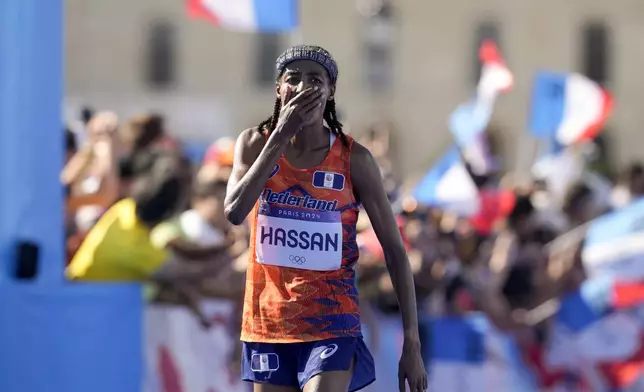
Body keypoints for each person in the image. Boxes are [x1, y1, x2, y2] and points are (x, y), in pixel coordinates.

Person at [225, 45, 427, 392]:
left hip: (331, 320)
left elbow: (395, 251)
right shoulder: (253, 143)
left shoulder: (355, 159)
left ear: (331, 91)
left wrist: (412, 342)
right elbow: (234, 211)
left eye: (315, 80)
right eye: (293, 79)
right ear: (278, 88)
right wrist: (279, 139)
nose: (303, 88)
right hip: (268, 322)